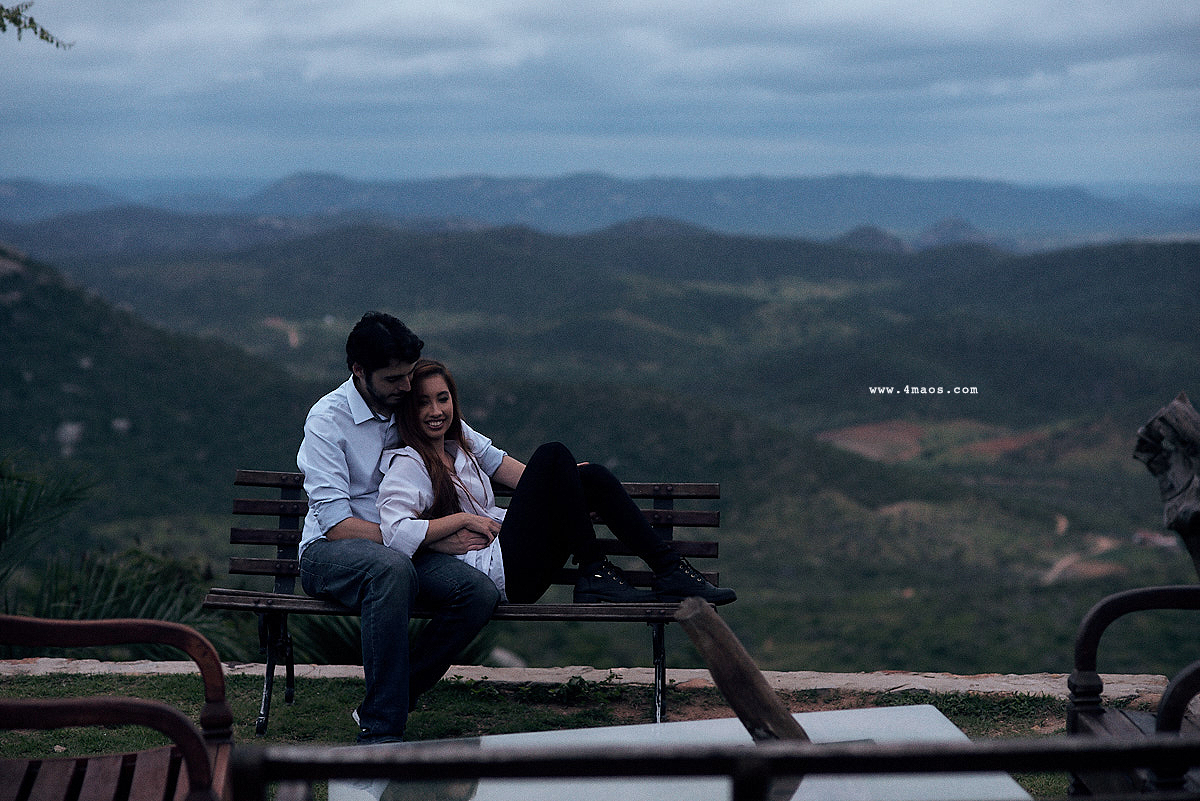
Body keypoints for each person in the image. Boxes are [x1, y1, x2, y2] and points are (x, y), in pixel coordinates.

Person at [377, 359, 737, 607]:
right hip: (497, 572)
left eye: (443, 398)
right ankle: (595, 569)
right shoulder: (408, 463)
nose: (436, 410)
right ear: (410, 410)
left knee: (590, 475)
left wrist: (565, 482)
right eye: (423, 403)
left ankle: (670, 569)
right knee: (551, 453)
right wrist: (461, 521)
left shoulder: (459, 446)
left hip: (515, 555)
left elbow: (504, 465)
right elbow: (395, 531)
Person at [297, 312, 501, 744]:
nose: (407, 387)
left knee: (477, 593)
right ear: (359, 371)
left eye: (409, 375)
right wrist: (433, 537)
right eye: (394, 379)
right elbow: (335, 525)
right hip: (331, 553)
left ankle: (391, 695)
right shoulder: (327, 421)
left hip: (406, 546)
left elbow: (494, 460)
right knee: (390, 569)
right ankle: (382, 732)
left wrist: (567, 483)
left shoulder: (412, 406)